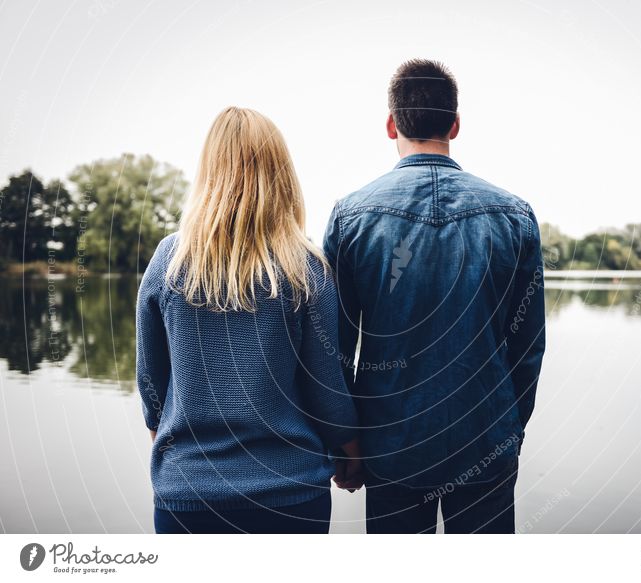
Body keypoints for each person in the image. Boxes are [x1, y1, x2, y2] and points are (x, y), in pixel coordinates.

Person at [323, 59, 546, 534]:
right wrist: (510, 431)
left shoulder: (352, 217)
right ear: (455, 124)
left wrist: (345, 446)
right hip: (485, 439)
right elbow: (527, 349)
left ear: (391, 124)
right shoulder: (514, 216)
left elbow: (335, 350)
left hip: (390, 446)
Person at [136, 107, 362, 534]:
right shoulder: (305, 267)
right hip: (290, 495)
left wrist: (179, 462)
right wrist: (352, 451)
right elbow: (326, 386)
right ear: (281, 173)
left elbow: (151, 385)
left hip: (187, 497)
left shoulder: (169, 260)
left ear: (208, 170)